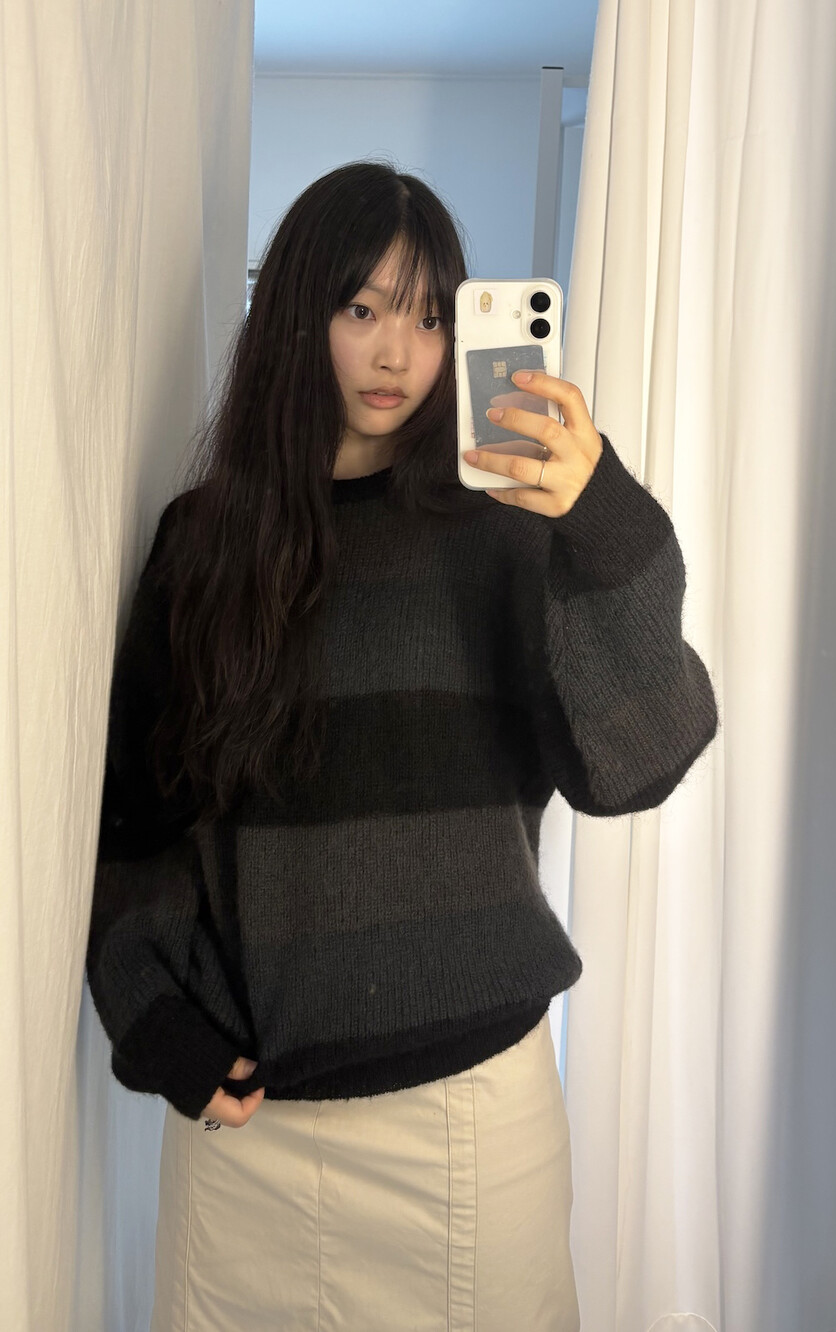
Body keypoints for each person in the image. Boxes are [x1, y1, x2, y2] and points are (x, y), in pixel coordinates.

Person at [86, 159, 719, 1331]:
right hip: (253, 1130)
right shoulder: (204, 543)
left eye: (430, 317)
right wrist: (154, 1016)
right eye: (362, 308)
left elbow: (641, 759)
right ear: (297, 314)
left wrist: (600, 514)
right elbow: (139, 816)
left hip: (468, 1126)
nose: (397, 354)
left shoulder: (504, 532)